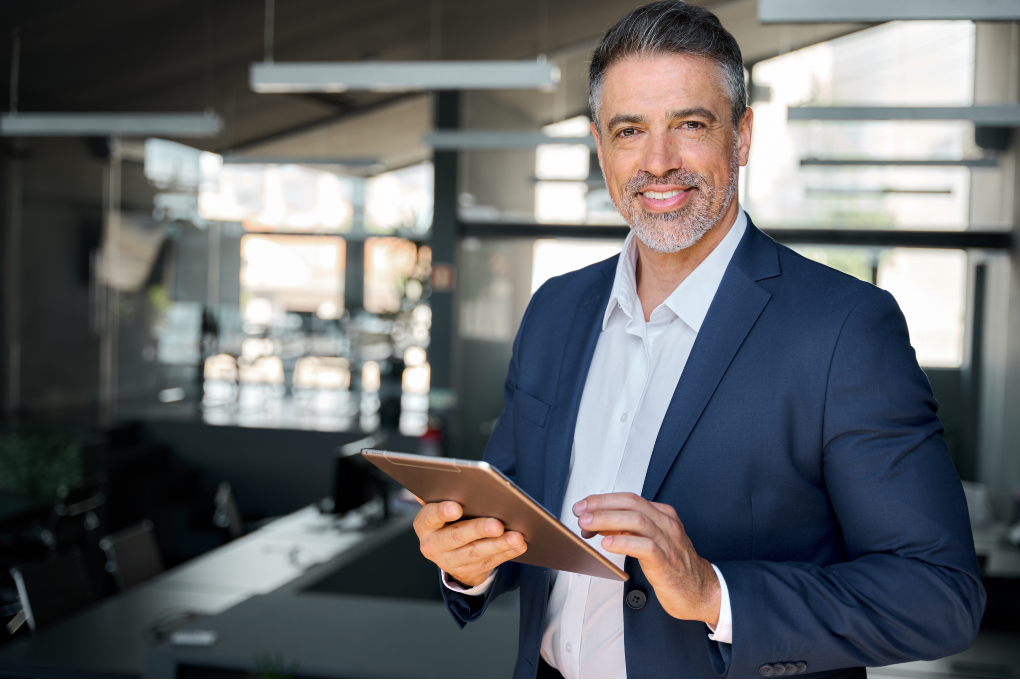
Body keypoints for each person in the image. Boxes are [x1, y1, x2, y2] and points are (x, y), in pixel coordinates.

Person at [412, 2, 986, 678]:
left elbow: (939, 596)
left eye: (689, 124)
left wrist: (715, 591)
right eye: (630, 130)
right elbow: (514, 518)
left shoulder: (843, 328)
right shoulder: (555, 311)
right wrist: (467, 560)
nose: (658, 163)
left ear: (741, 137)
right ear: (601, 146)